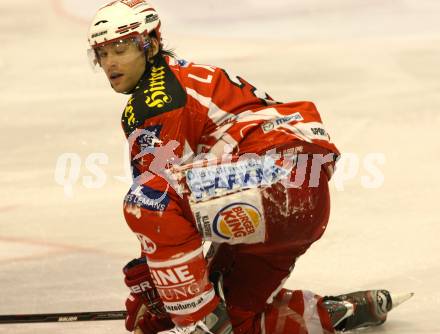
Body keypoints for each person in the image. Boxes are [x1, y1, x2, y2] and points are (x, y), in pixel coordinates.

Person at [87, 1, 412, 333]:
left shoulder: (155, 101)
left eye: (121, 48)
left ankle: (198, 322)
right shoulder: (180, 74)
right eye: (102, 53)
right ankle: (340, 311)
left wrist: (157, 290)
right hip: (302, 198)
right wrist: (171, 295)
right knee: (234, 316)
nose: (110, 62)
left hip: (270, 181)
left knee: (144, 202)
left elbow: (158, 202)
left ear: (150, 44)